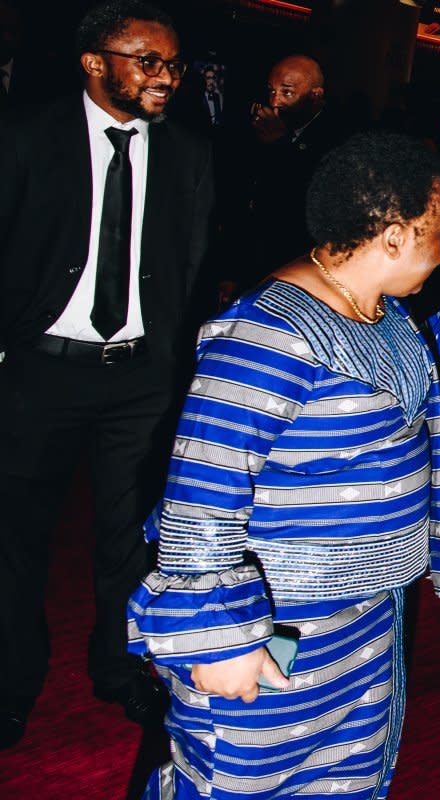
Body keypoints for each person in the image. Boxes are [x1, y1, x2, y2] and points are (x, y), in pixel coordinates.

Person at [126, 131, 440, 798]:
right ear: (395, 236)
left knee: (345, 779)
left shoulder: (385, 314)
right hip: (277, 624)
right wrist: (221, 641)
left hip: (364, 622)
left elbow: (387, 395)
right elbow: (201, 496)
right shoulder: (266, 335)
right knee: (242, 780)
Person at [0, 0, 214, 750]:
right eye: (146, 61)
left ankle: (120, 671)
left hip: (139, 382)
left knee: (129, 540)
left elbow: (191, 267)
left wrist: (174, 365)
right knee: (15, 538)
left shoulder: (189, 153)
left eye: (174, 65)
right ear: (95, 62)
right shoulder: (25, 137)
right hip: (39, 372)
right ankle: (11, 684)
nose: (165, 77)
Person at [231, 54, 344, 294]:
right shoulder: (261, 128)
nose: (275, 101)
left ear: (316, 95)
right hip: (254, 260)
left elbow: (307, 196)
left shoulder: (337, 137)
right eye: (271, 91)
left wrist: (280, 145)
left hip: (299, 268)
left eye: (287, 93)